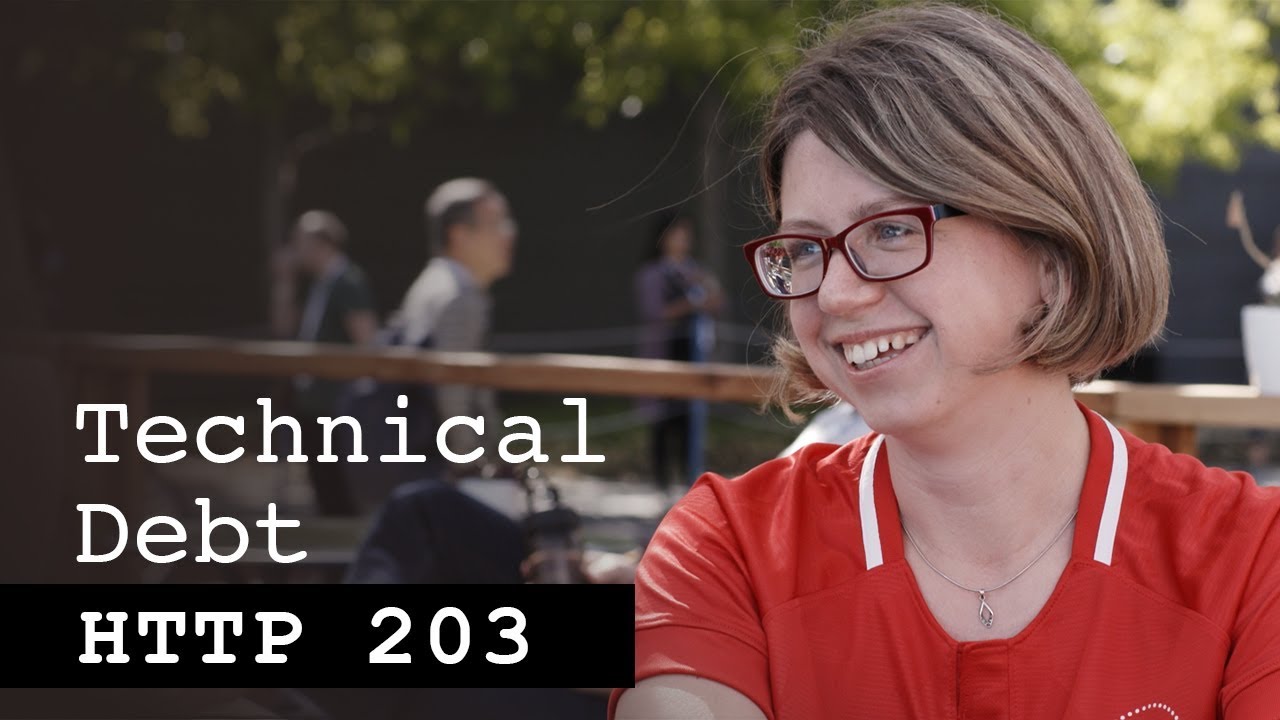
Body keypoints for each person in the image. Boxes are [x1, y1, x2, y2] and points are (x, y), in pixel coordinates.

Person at [613, 5, 1280, 719]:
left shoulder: (1252, 557)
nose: (834, 293)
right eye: (805, 249)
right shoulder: (726, 545)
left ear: (1052, 253)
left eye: (892, 231)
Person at [271, 209, 378, 517]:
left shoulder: (348, 282)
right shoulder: (320, 283)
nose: (295, 250)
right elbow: (282, 328)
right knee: (323, 488)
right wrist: (284, 281)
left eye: (300, 242)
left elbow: (366, 339)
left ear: (322, 243)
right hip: (314, 405)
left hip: (336, 407)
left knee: (338, 492)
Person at [633, 212, 723, 492]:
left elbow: (717, 302)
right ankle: (661, 484)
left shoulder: (695, 271)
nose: (682, 240)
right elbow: (654, 312)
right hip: (664, 355)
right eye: (676, 234)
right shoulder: (652, 274)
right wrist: (690, 304)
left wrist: (707, 289)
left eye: (685, 234)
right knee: (662, 424)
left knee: (689, 422)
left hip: (693, 356)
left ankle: (689, 481)